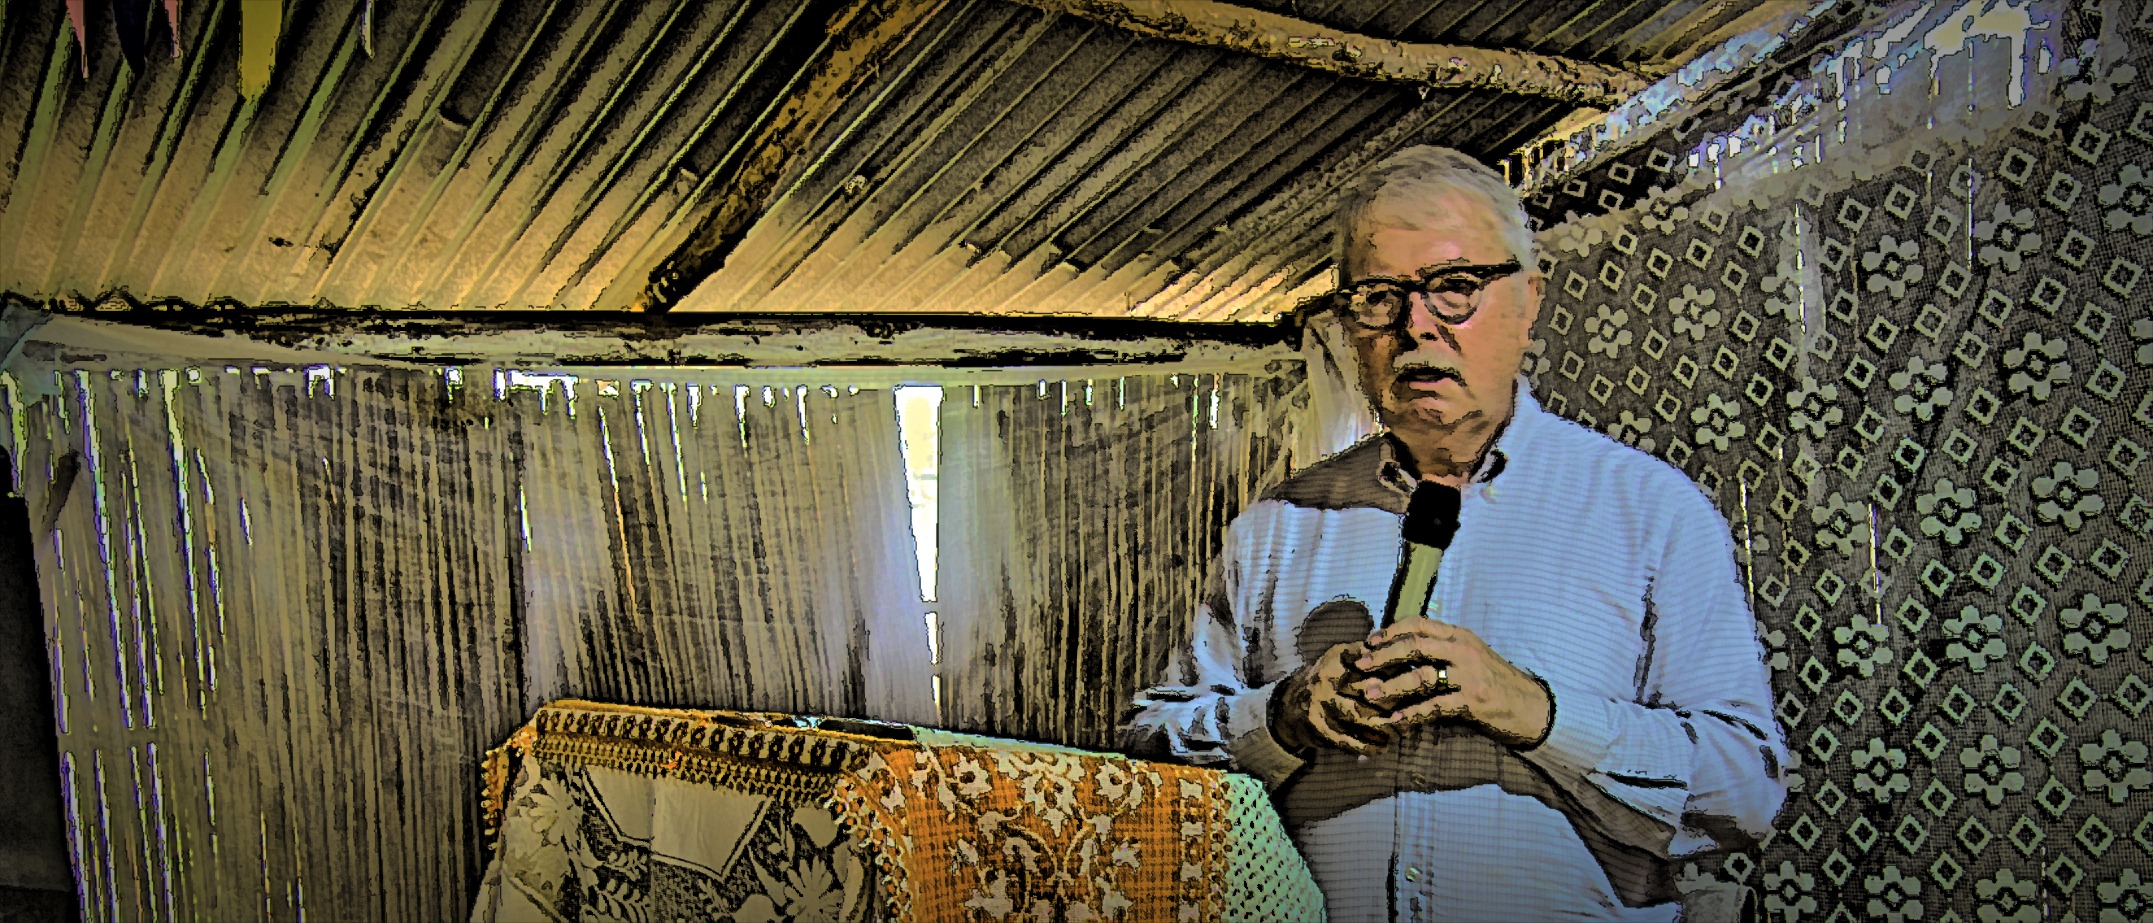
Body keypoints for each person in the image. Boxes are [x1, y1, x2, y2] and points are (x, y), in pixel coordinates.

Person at [1123, 146, 1788, 922]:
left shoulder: (1651, 513)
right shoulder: (1277, 526)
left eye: (1454, 287)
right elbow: (1150, 756)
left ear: (1528, 300)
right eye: (1378, 296)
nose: (1416, 325)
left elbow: (1744, 797)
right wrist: (1279, 718)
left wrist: (1534, 710)